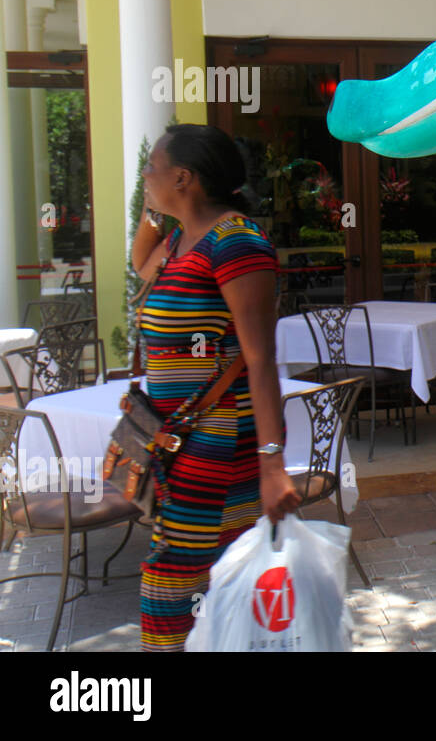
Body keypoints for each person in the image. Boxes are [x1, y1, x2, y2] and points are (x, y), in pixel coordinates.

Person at [130, 123, 300, 651]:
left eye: (151, 169)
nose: (144, 176)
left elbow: (261, 358)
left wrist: (273, 464)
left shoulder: (236, 242)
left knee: (177, 582)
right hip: (178, 441)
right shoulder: (180, 240)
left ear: (184, 176)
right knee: (206, 580)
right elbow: (140, 270)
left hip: (217, 440)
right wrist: (157, 212)